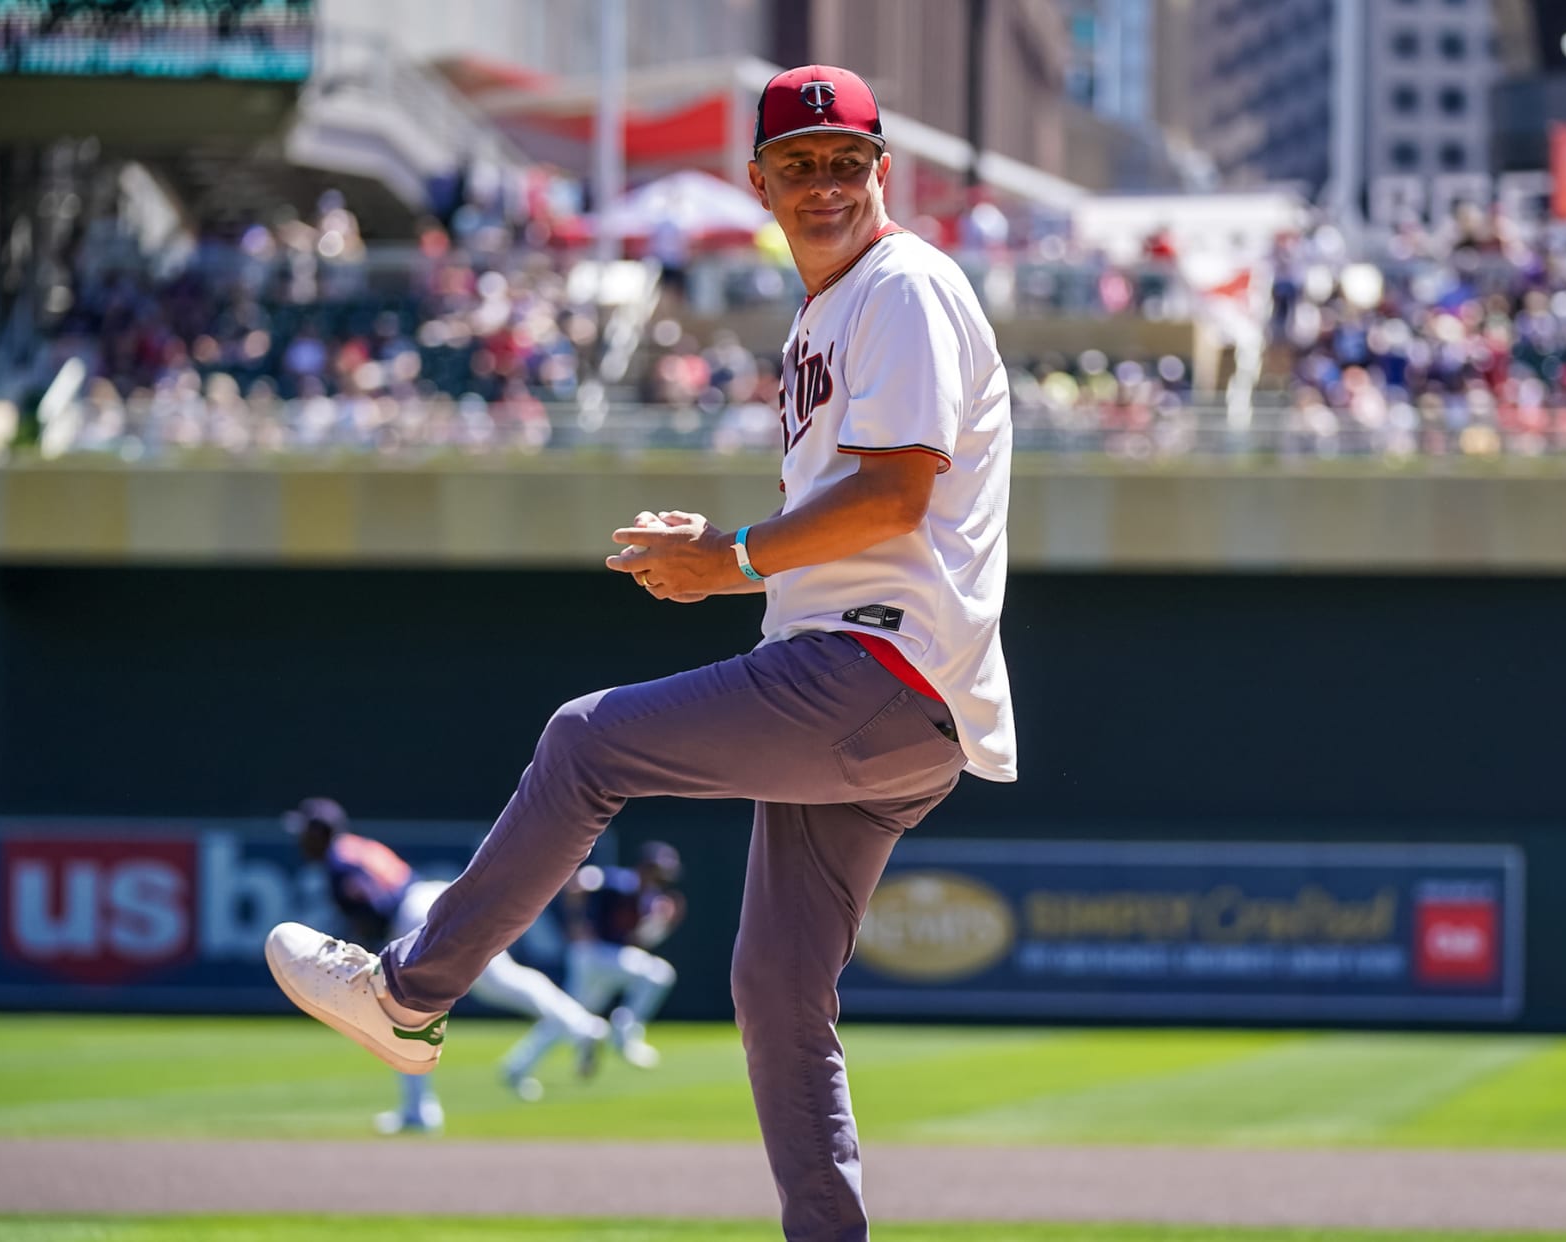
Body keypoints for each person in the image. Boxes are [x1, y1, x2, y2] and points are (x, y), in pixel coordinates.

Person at [264, 62, 1017, 1242]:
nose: (825, 182)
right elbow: (854, 520)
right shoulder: (826, 312)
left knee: (585, 743)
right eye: (799, 164)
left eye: (847, 161)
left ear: (884, 173)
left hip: (878, 673)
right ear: (760, 181)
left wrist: (733, 558)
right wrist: (735, 558)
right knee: (774, 994)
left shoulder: (903, 285)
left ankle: (410, 997)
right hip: (886, 697)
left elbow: (894, 499)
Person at [279, 797, 611, 1134]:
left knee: (398, 1010)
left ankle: (418, 1111)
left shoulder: (338, 862)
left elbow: (373, 909)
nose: (300, 839)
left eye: (304, 831)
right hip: (429, 901)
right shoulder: (354, 847)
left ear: (320, 832)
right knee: (502, 981)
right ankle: (582, 1025)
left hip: (412, 916)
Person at [501, 840, 686, 1079]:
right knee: (658, 975)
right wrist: (577, 925)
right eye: (659, 869)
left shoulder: (652, 900)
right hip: (594, 954)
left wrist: (661, 924)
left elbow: (636, 941)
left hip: (609, 960)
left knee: (568, 1016)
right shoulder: (621, 881)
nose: (663, 875)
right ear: (646, 866)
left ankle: (517, 1068)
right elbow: (579, 883)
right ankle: (624, 1030)